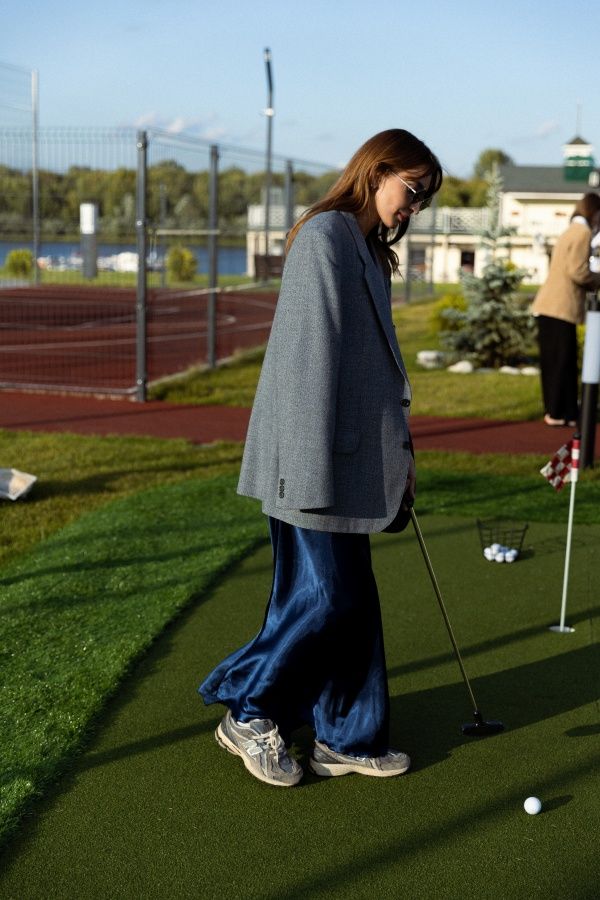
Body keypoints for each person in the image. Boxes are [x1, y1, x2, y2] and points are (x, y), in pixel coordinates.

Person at [199, 129, 443, 787]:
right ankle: (249, 710)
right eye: (412, 190)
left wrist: (402, 456)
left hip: (353, 462)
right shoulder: (325, 237)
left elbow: (375, 371)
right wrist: (307, 477)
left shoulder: (364, 247)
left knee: (352, 602)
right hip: (312, 461)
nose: (414, 207)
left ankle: (345, 737)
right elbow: (306, 366)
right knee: (327, 599)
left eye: (424, 198)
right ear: (377, 170)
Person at [532, 193, 600, 427]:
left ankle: (557, 411)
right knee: (563, 362)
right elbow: (577, 271)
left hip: (549, 305)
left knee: (554, 362)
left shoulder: (571, 230)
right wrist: (597, 279)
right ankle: (563, 412)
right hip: (561, 306)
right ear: (594, 212)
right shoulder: (583, 233)